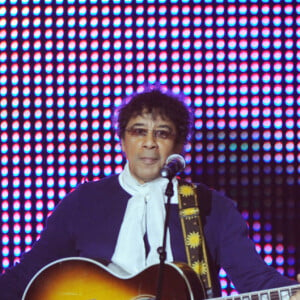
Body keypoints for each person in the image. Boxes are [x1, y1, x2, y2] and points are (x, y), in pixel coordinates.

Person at [0, 87, 299, 299]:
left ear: (179, 145)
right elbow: (28, 274)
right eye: (138, 131)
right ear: (122, 140)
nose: (149, 143)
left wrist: (294, 291)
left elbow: (255, 280)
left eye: (162, 133)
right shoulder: (83, 203)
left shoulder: (211, 208)